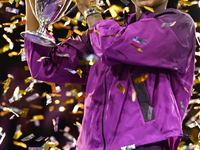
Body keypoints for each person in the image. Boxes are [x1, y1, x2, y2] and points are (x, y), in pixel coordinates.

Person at [23, 0, 196, 149]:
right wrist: (33, 7)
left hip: (146, 144)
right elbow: (46, 66)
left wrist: (91, 12)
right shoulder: (107, 32)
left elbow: (111, 46)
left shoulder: (177, 25)